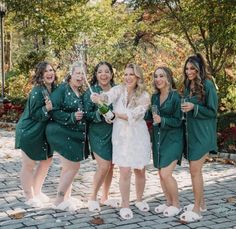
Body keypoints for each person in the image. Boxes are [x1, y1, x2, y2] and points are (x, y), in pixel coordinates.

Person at [91, 63, 151, 220]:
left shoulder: (144, 95)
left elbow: (136, 114)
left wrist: (116, 114)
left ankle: (139, 199)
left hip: (138, 137)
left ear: (138, 77)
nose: (128, 77)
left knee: (140, 170)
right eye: (125, 74)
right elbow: (108, 96)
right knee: (124, 171)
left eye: (131, 74)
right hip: (121, 138)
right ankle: (125, 204)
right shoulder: (118, 89)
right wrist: (100, 98)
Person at [179, 53, 218, 222]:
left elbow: (212, 111)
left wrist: (194, 107)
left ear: (199, 69)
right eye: (187, 68)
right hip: (191, 135)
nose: (189, 71)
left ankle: (197, 209)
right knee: (195, 171)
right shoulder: (189, 86)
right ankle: (201, 204)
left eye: (192, 68)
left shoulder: (208, 85)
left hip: (203, 135)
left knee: (195, 171)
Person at [46, 62, 89, 211]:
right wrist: (71, 117)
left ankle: (66, 197)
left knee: (68, 167)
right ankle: (58, 200)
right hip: (60, 132)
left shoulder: (79, 92)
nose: (80, 76)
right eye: (77, 73)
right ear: (70, 75)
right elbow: (53, 110)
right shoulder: (62, 89)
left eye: (83, 74)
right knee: (73, 166)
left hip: (73, 134)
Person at [15, 61, 57, 207]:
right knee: (29, 164)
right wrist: (47, 109)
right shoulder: (37, 91)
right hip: (29, 131)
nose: (50, 73)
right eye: (46, 71)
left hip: (44, 132)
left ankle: (37, 191)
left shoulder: (54, 89)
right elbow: (34, 114)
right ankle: (29, 196)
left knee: (46, 161)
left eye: (51, 70)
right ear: (40, 75)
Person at [83, 61, 119, 212]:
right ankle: (92, 197)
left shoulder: (117, 91)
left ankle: (105, 197)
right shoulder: (91, 92)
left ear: (111, 74)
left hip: (116, 133)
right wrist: (100, 114)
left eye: (106, 71)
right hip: (98, 133)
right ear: (96, 75)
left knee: (111, 166)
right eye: (100, 72)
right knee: (103, 166)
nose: (103, 74)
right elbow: (87, 114)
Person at [149, 67, 183, 217]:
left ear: (168, 78)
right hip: (158, 139)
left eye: (161, 76)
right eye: (156, 76)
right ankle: (168, 203)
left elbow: (178, 121)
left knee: (166, 173)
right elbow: (149, 116)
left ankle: (176, 204)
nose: (158, 79)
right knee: (160, 174)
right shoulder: (154, 97)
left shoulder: (176, 97)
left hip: (173, 139)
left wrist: (162, 120)